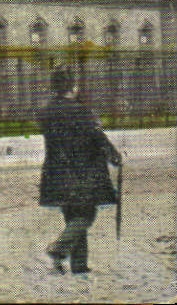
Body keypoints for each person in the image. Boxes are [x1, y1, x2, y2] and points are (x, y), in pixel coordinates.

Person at [38, 67, 120, 275]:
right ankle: (58, 249)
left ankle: (79, 266)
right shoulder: (81, 110)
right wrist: (114, 155)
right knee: (86, 215)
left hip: (56, 174)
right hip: (81, 173)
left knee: (72, 215)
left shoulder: (45, 112)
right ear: (72, 86)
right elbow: (97, 137)